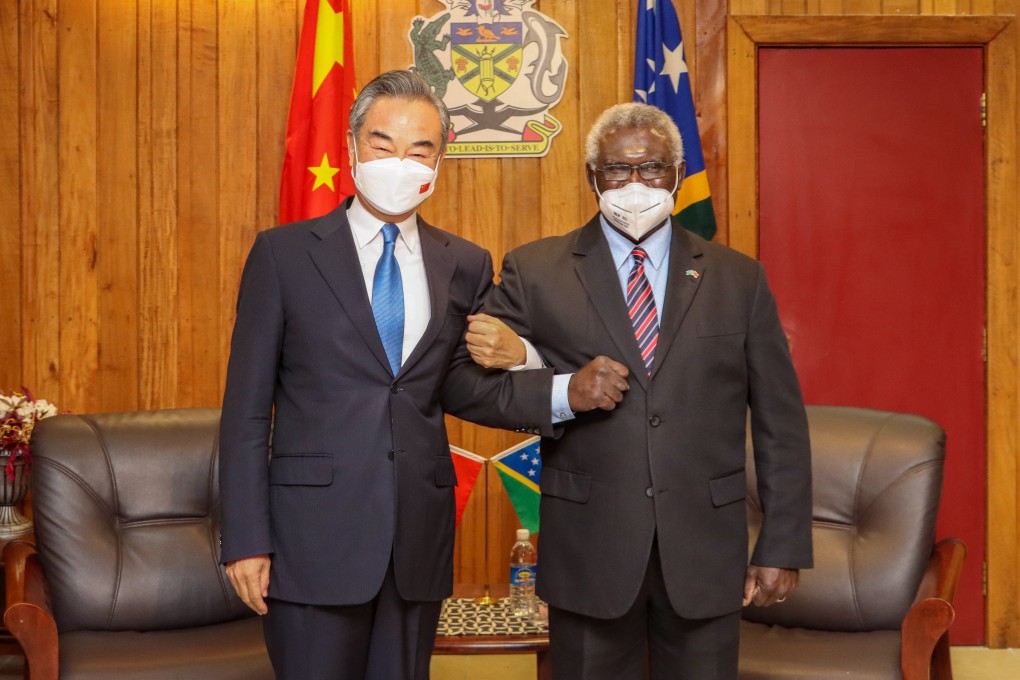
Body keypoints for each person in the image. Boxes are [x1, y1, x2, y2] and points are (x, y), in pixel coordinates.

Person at [217, 70, 589, 680]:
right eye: (383, 144)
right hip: (311, 539)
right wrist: (246, 540)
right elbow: (246, 412)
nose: (399, 162)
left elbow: (460, 384)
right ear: (351, 147)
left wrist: (546, 376)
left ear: (440, 160)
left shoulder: (464, 263)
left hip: (417, 538)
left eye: (420, 149)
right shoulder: (283, 256)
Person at [465, 102, 814, 679]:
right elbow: (469, 388)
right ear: (591, 178)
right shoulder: (537, 270)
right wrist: (564, 392)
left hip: (705, 553)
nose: (634, 184)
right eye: (616, 171)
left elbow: (781, 420)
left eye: (650, 168)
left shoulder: (739, 278)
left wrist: (782, 544)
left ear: (677, 173)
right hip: (589, 552)